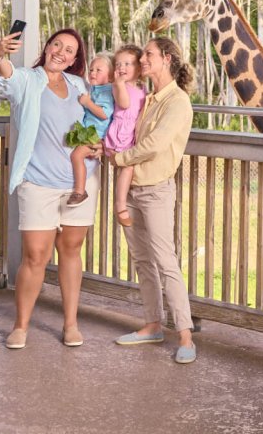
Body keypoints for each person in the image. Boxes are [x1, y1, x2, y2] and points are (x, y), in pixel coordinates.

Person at [0, 27, 98, 350]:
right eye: (57, 45)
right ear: (47, 47)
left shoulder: (79, 85)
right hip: (38, 182)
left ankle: (70, 324)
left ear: (75, 60)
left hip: (80, 182)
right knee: (35, 255)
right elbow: (6, 75)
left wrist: (98, 144)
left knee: (70, 251)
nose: (61, 53)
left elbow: (97, 121)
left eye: (69, 50)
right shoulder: (27, 80)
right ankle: (21, 326)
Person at [106, 37, 197, 364]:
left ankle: (185, 335)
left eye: (149, 54)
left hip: (156, 189)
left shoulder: (178, 101)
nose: (143, 58)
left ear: (167, 59)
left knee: (165, 261)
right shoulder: (146, 98)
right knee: (142, 260)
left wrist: (119, 159)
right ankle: (152, 324)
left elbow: (156, 144)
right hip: (131, 190)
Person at [101, 45, 146, 227]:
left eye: (128, 63)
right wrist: (119, 84)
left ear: (139, 68)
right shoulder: (119, 86)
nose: (122, 67)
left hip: (131, 134)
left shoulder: (142, 88)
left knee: (129, 169)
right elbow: (125, 104)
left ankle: (126, 203)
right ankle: (120, 206)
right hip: (120, 134)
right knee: (127, 168)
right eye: (118, 64)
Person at [66, 53, 114, 207]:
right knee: (77, 155)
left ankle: (80, 191)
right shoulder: (95, 88)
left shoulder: (108, 91)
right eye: (91, 69)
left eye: (98, 70)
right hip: (89, 132)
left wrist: (87, 102)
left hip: (96, 135)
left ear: (111, 75)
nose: (92, 73)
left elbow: (105, 114)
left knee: (76, 155)